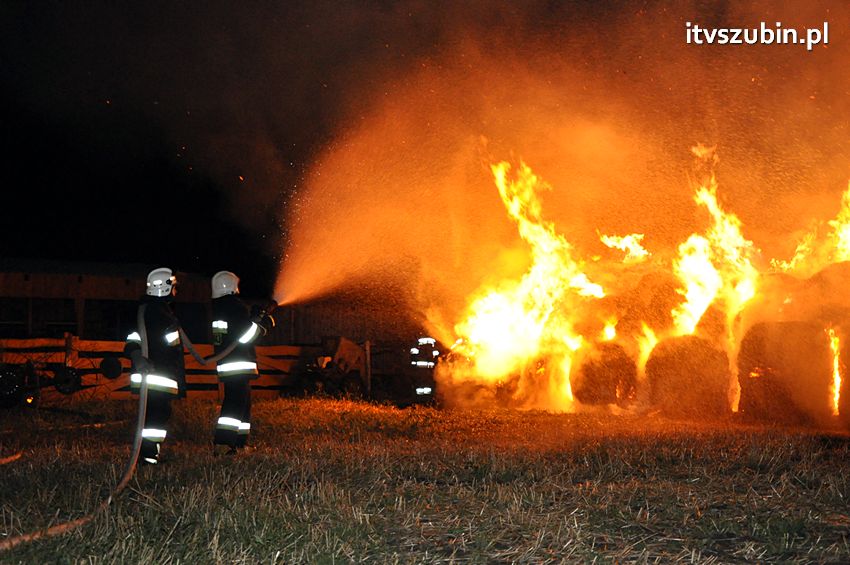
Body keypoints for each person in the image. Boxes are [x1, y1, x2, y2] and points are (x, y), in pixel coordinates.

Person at [124, 267, 186, 466]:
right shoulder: (157, 312)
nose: (175, 291)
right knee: (157, 417)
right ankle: (149, 457)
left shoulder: (151, 310)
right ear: (165, 288)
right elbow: (138, 340)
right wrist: (138, 358)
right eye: (173, 287)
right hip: (158, 375)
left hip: (155, 375)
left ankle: (148, 454)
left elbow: (134, 339)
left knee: (154, 416)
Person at [210, 271, 271, 455]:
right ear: (232, 286)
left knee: (243, 404)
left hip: (229, 363)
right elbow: (245, 338)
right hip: (238, 362)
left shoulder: (220, 307)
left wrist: (253, 320)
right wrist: (263, 326)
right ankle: (224, 443)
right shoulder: (234, 307)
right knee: (236, 403)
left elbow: (234, 334)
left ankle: (239, 444)